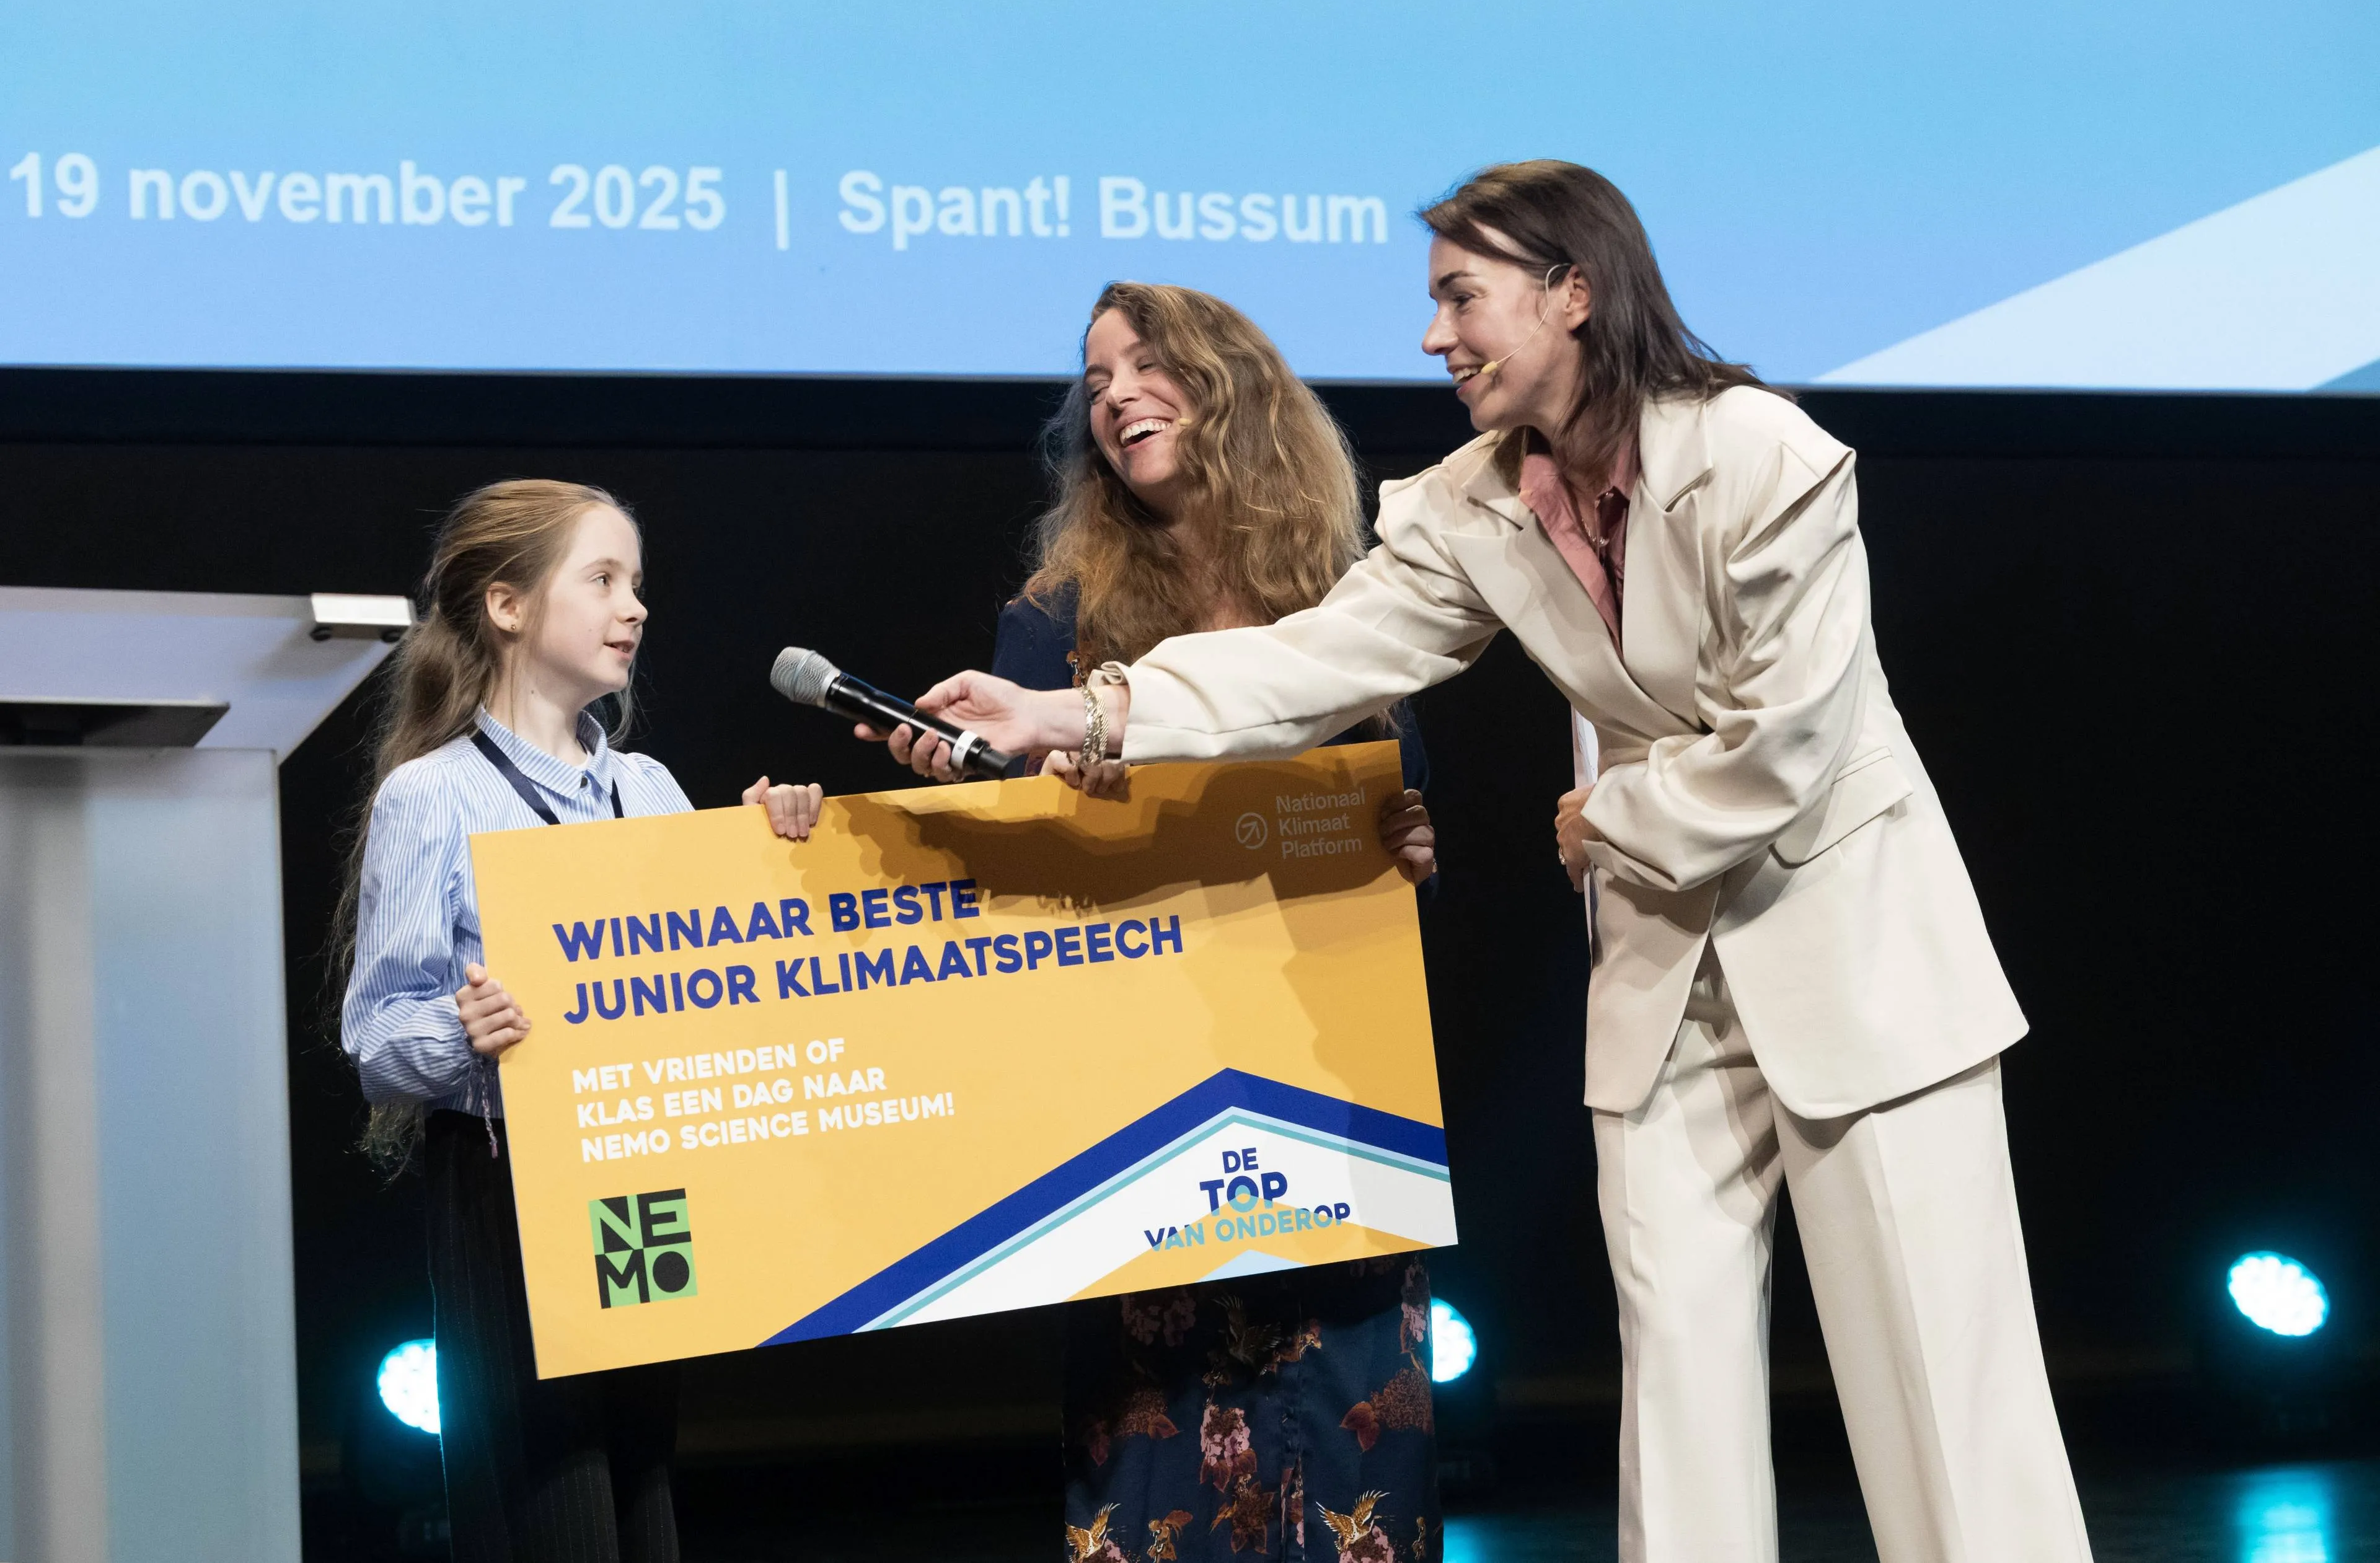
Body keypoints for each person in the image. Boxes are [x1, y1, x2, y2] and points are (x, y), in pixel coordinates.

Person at [893, 163, 2094, 1563]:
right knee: (1679, 1401)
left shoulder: (1766, 456)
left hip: (1858, 957)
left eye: (1462, 297)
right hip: (1663, 988)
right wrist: (1076, 710)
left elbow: (1792, 747)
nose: (1433, 336)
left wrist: (1612, 823)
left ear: (1574, 294)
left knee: (1944, 1394)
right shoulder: (1469, 504)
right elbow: (1315, 660)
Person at [881, 282, 1441, 1563]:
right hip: (1151, 1123)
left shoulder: (1353, 604)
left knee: (1356, 1475)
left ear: (1228, 382)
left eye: (1146, 364)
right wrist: (1037, 805)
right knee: (1162, 1494)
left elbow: (1391, 822)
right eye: (1095, 380)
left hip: (1332, 1093)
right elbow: (1022, 882)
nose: (1117, 392)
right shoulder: (1055, 621)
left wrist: (1409, 845)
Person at [337, 479, 823, 1563]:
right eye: (602, 578)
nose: (635, 606)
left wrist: (767, 856)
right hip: (505, 1182)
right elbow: (375, 1038)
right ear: (508, 606)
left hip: (641, 1179)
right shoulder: (434, 794)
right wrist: (463, 1033)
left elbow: (720, 987)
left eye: (638, 583)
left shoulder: (647, 788)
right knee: (548, 1505)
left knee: (642, 1494)